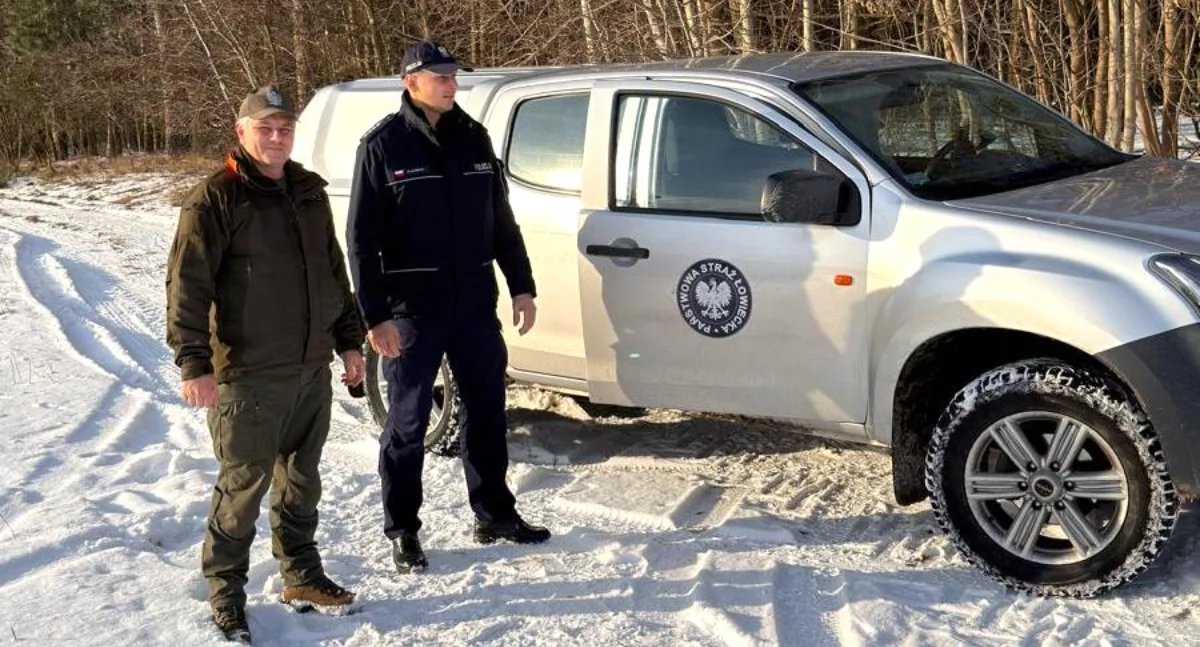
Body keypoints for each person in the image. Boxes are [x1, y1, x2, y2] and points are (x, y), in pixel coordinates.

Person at [166, 85, 366, 644]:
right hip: (247, 376)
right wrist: (193, 363)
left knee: (302, 483)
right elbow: (187, 287)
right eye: (265, 128)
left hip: (308, 372)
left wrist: (349, 341)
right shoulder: (216, 198)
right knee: (242, 489)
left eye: (284, 129)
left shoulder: (307, 192)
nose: (276, 138)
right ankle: (225, 594)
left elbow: (333, 273)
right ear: (242, 132)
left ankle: (301, 575)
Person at [346, 40, 551, 575]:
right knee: (408, 423)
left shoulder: (475, 140)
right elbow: (362, 243)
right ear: (410, 82)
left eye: (453, 75)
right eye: (439, 76)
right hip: (413, 310)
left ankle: (495, 514)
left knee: (486, 412)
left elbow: (501, 223)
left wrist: (522, 285)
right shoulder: (383, 147)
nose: (450, 83)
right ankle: (404, 530)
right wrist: (375, 317)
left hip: (474, 305)